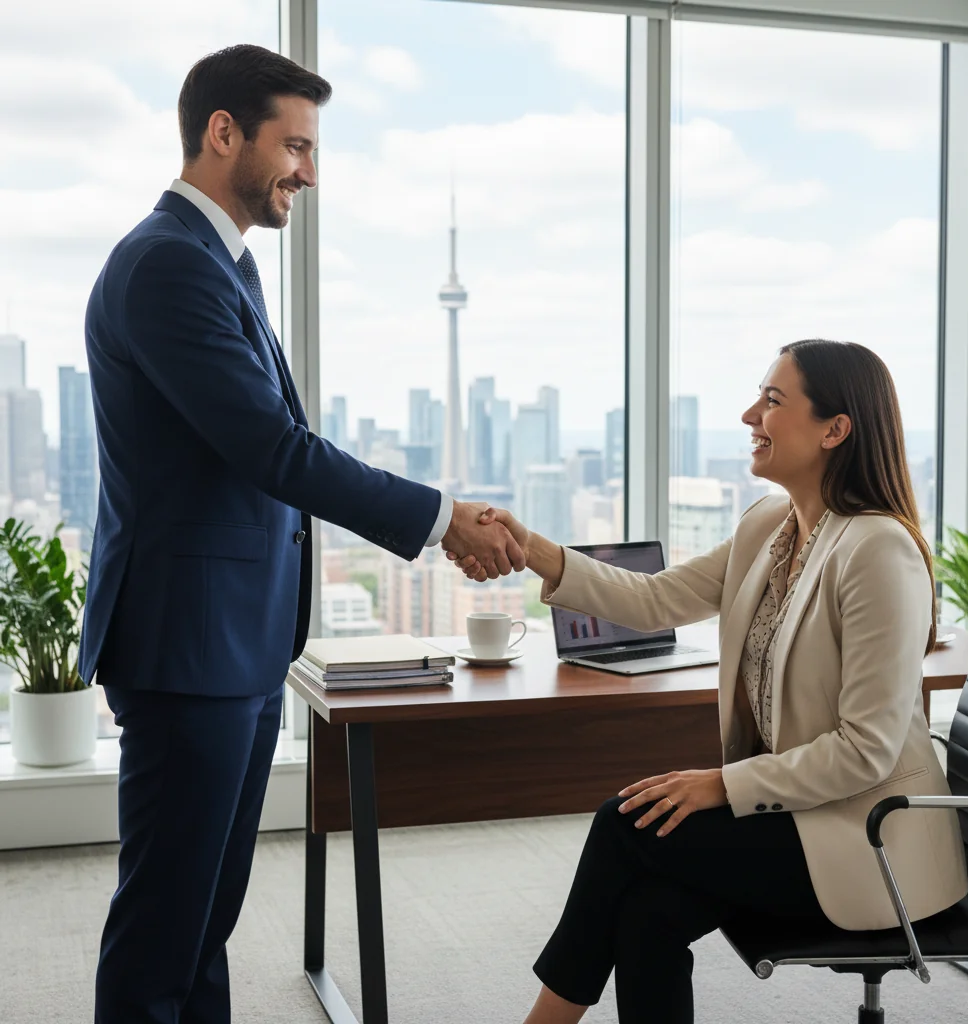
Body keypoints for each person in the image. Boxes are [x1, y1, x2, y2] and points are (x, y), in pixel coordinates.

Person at [83, 44, 524, 1024]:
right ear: (223, 133)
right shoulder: (167, 265)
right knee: (164, 926)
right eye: (296, 145)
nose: (309, 174)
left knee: (204, 920)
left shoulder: (215, 262)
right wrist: (444, 518)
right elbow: (276, 451)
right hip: (187, 644)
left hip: (230, 642)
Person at [450, 339, 968, 1024]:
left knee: (623, 824)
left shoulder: (877, 550)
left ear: (835, 430)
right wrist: (530, 547)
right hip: (800, 815)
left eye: (774, 401)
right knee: (646, 912)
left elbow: (866, 751)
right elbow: (655, 600)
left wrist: (719, 784)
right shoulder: (770, 527)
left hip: (866, 836)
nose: (751, 412)